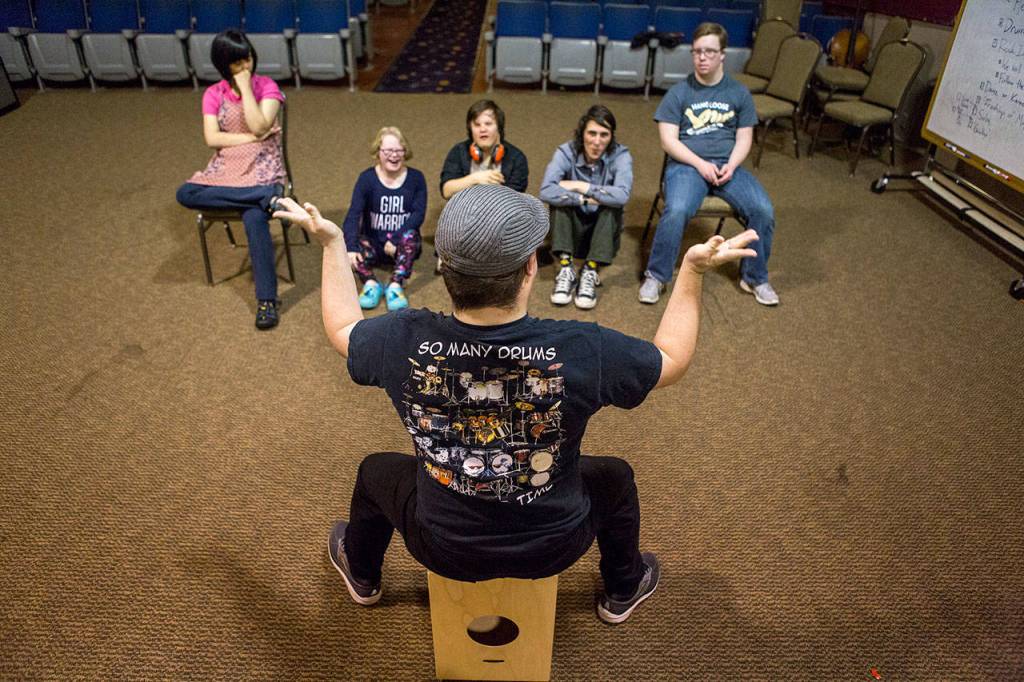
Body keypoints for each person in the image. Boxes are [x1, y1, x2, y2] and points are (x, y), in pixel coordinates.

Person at [272, 184, 758, 624]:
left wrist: (333, 243)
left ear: (444, 269)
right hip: (554, 546)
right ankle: (623, 588)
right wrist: (692, 271)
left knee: (374, 470)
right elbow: (671, 359)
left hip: (442, 546)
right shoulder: (581, 348)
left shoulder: (401, 337)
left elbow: (341, 329)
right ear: (530, 269)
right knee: (617, 477)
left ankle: (362, 575)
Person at [639, 22, 779, 307]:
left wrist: (732, 163)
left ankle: (754, 278)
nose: (703, 58)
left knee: (763, 209)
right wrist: (699, 163)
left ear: (723, 55)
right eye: (697, 52)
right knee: (676, 210)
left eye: (710, 52)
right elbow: (668, 141)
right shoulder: (678, 93)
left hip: (729, 165)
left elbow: (744, 138)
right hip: (687, 165)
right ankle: (656, 275)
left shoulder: (738, 93)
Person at [175, 30, 287, 330]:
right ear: (224, 65)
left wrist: (246, 88)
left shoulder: (267, 87)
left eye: (248, 58)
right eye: (238, 63)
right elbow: (212, 138)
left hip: (263, 169)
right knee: (185, 193)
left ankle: (266, 301)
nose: (246, 66)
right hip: (227, 171)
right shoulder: (213, 94)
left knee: (254, 219)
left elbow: (261, 123)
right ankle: (265, 199)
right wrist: (252, 137)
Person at [539, 105, 633, 310]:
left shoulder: (621, 155)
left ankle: (590, 270)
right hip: (569, 233)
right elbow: (546, 191)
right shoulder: (566, 152)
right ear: (582, 133)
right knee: (560, 201)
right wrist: (581, 199)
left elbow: (623, 196)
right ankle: (566, 267)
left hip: (603, 235)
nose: (597, 142)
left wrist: (582, 187)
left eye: (604, 135)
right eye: (592, 133)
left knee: (612, 205)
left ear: (611, 137)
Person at [342, 127, 427, 312]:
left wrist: (396, 238)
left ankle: (396, 284)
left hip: (400, 246)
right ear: (377, 153)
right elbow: (354, 214)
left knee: (411, 237)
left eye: (399, 150)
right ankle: (371, 282)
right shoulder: (366, 179)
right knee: (348, 243)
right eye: (388, 151)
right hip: (373, 244)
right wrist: (350, 248)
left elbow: (418, 215)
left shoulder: (416, 178)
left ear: (405, 152)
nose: (394, 156)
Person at [439, 99, 528, 199]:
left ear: (499, 127)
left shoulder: (516, 158)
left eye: (488, 124)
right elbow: (446, 191)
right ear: (470, 129)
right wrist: (475, 179)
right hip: (464, 212)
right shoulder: (459, 151)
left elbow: (516, 200)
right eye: (477, 125)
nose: (482, 129)